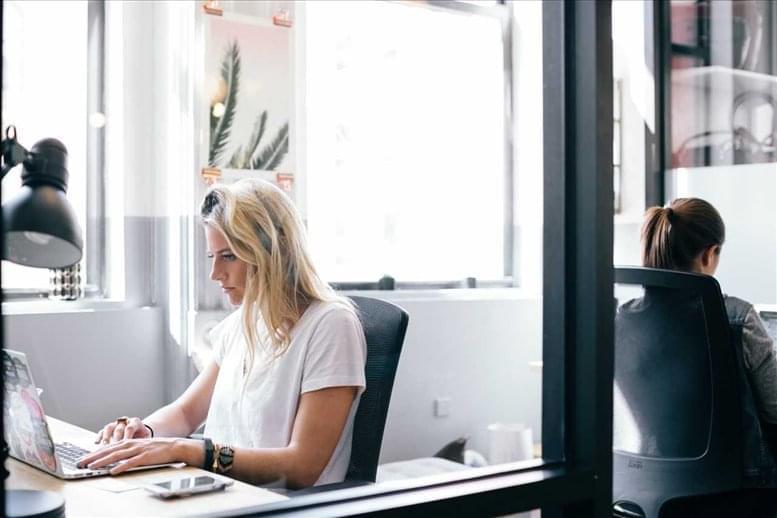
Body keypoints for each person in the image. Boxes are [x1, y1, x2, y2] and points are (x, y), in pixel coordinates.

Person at [78, 178, 367, 488]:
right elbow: (187, 413)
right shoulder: (243, 322)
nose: (215, 274)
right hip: (225, 496)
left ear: (274, 251)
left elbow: (302, 466)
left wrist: (187, 450)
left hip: (278, 507)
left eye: (228, 256)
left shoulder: (332, 325)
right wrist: (144, 433)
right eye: (212, 257)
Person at [638, 197, 777, 516]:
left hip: (651, 490)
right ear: (709, 253)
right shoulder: (737, 319)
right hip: (736, 493)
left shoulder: (626, 319)